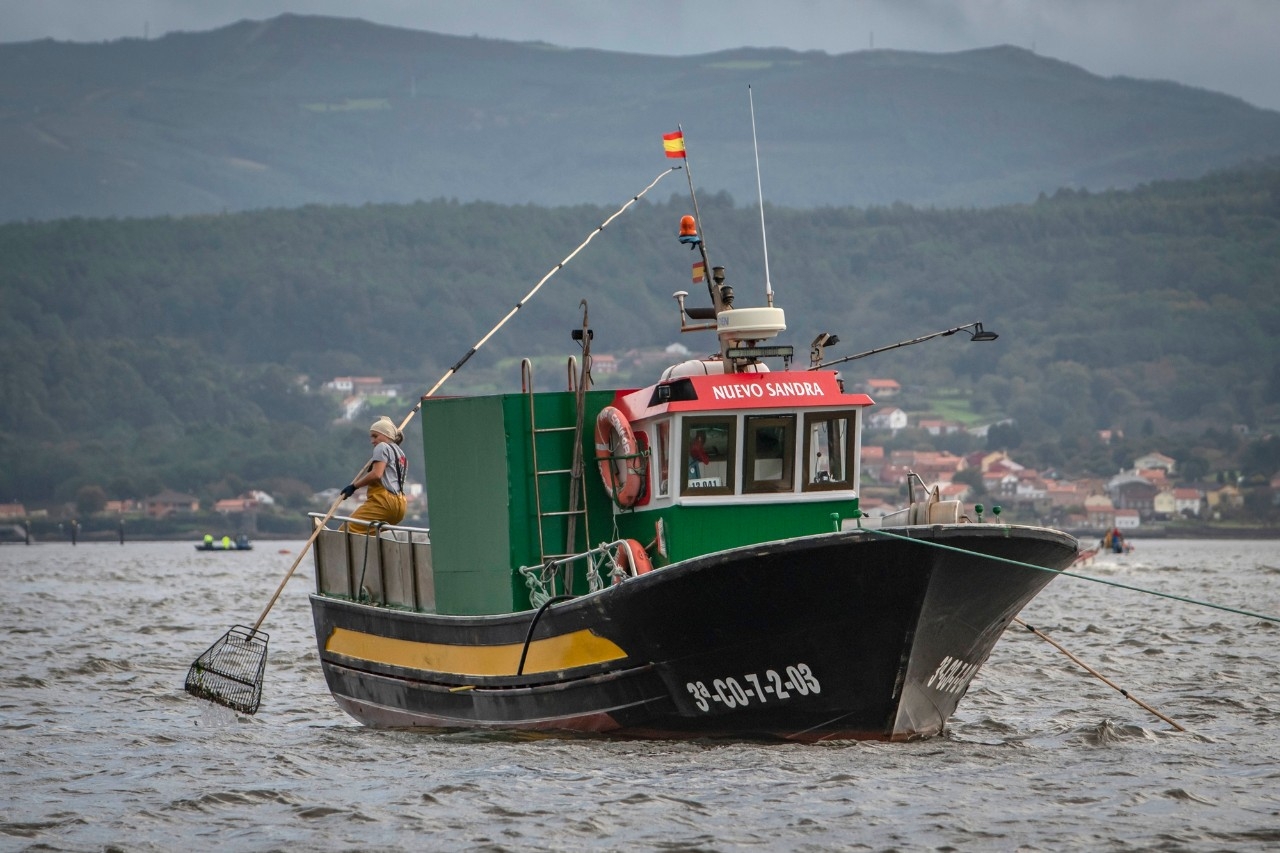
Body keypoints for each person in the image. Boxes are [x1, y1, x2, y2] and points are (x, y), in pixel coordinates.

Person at [340, 416, 408, 534]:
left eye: (375, 436)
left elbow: (377, 474)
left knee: (346, 530)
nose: (372, 441)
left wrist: (354, 486)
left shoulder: (382, 447)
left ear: (386, 435)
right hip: (400, 507)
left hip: (384, 503)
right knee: (371, 535)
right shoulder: (401, 454)